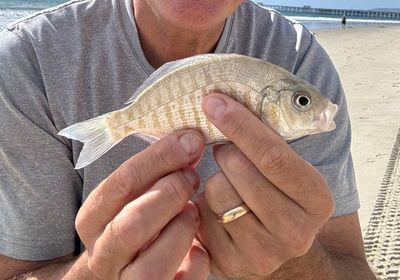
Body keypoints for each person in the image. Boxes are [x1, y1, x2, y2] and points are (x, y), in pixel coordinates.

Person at [0, 0, 376, 279]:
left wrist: (293, 260)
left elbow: (353, 267)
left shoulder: (299, 59)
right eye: (301, 102)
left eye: (302, 102)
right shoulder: (26, 65)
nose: (308, 105)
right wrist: (93, 274)